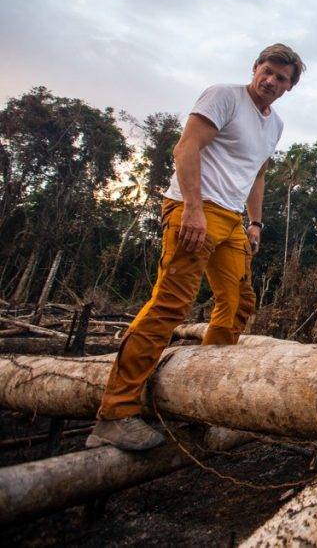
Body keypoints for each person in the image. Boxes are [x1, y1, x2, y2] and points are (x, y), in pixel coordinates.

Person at [86, 44, 305, 451]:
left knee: (238, 302)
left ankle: (204, 394)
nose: (272, 81)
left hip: (231, 220)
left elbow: (257, 176)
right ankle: (114, 412)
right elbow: (186, 148)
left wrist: (255, 223)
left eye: (282, 78)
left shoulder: (274, 125)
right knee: (171, 304)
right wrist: (190, 208)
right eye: (268, 71)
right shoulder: (223, 96)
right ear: (255, 68)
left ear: (290, 87)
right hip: (195, 208)